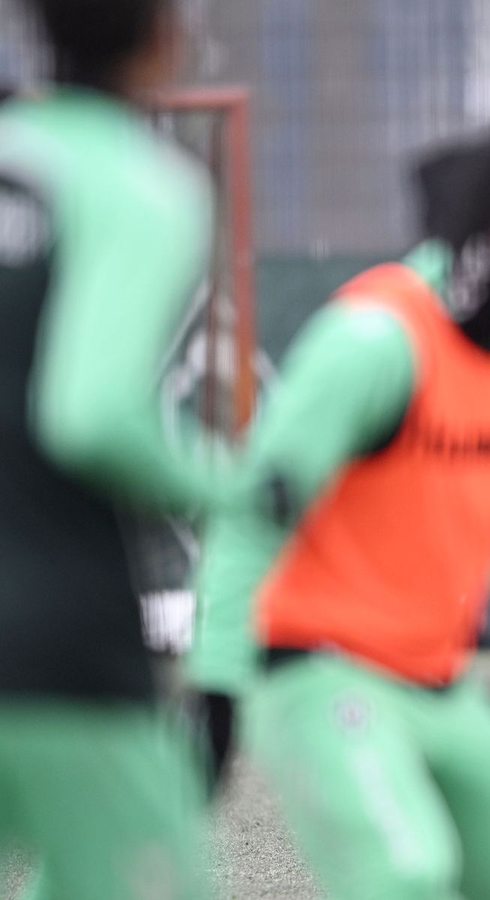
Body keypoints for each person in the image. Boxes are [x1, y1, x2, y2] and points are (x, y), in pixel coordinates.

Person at [187, 119, 490, 900]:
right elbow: (256, 510)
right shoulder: (377, 339)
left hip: (437, 681)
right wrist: (216, 683)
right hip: (318, 673)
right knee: (404, 876)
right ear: (485, 232)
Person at [0, 0, 214, 897]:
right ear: (161, 36)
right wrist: (229, 486)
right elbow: (90, 415)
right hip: (59, 643)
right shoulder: (143, 183)